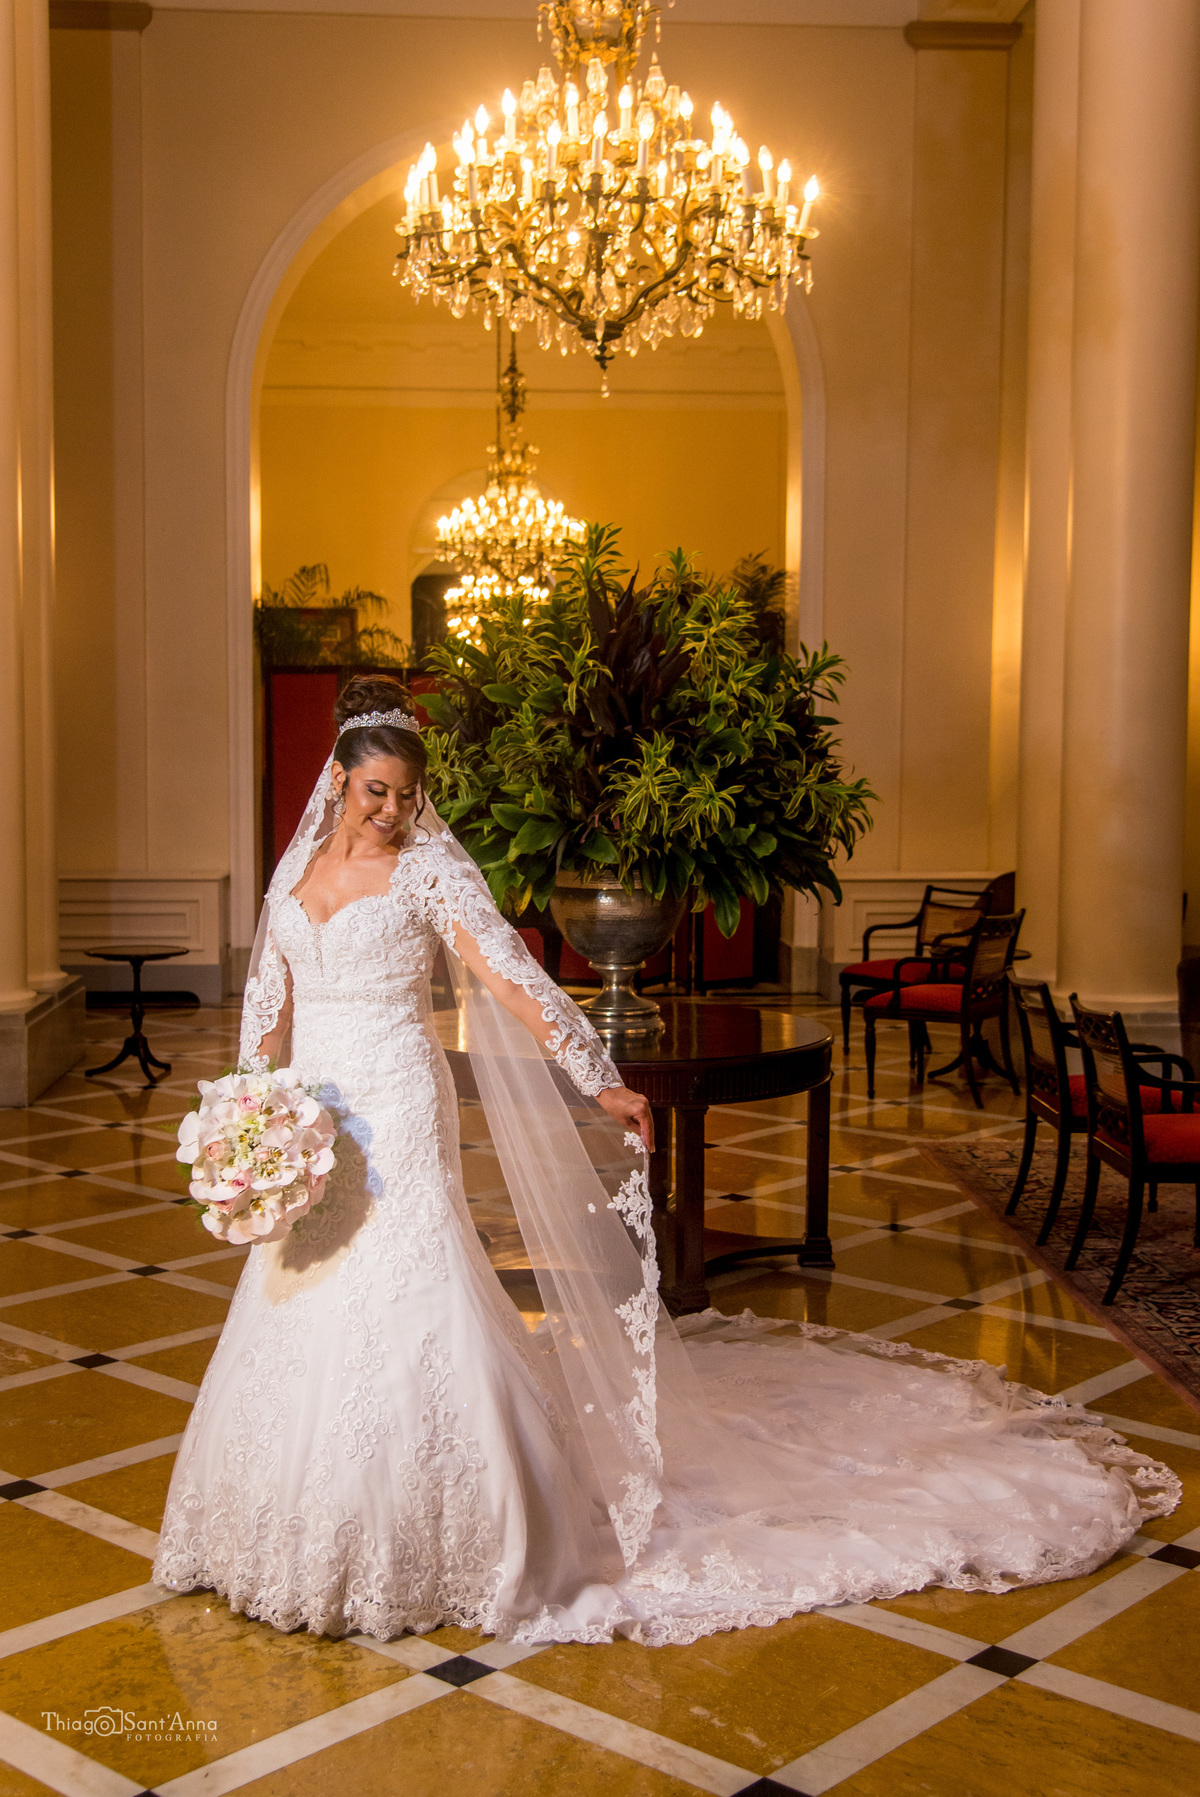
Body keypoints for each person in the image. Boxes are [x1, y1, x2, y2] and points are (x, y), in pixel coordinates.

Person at [153, 676, 1179, 1647]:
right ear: (338, 780)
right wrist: (253, 1108)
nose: (390, 811)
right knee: (297, 1283)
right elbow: (267, 1001)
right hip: (309, 1108)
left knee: (407, 1282)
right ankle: (282, 1522)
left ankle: (459, 1530)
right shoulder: (292, 875)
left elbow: (510, 978)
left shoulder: (426, 870)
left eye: (407, 796)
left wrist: (597, 1076)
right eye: (376, 791)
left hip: (395, 1100)